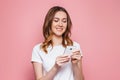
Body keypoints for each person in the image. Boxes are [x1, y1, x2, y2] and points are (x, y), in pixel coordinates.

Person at [31, 6, 84, 80]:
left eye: (64, 21)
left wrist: (75, 64)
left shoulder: (75, 46)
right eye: (56, 20)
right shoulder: (38, 49)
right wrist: (55, 67)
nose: (60, 24)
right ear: (49, 23)